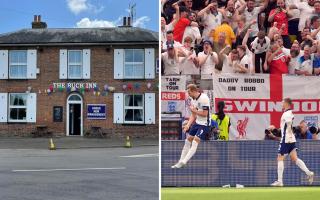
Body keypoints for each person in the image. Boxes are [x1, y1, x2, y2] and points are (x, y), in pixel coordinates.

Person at [271, 98, 314, 187]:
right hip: (291, 138)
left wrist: (286, 134)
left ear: (286, 103)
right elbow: (288, 125)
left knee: (280, 158)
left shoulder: (287, 113)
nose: (282, 104)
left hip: (286, 138)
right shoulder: (289, 113)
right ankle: (309, 173)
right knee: (294, 158)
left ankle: (280, 181)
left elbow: (289, 124)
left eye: (283, 102)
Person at [171, 84, 211, 168]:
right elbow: (193, 115)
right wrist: (188, 125)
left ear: (194, 91)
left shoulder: (204, 98)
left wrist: (194, 111)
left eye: (189, 92)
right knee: (187, 141)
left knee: (195, 141)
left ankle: (184, 162)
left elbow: (205, 114)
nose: (188, 94)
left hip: (205, 124)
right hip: (197, 122)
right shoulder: (193, 100)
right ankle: (180, 162)